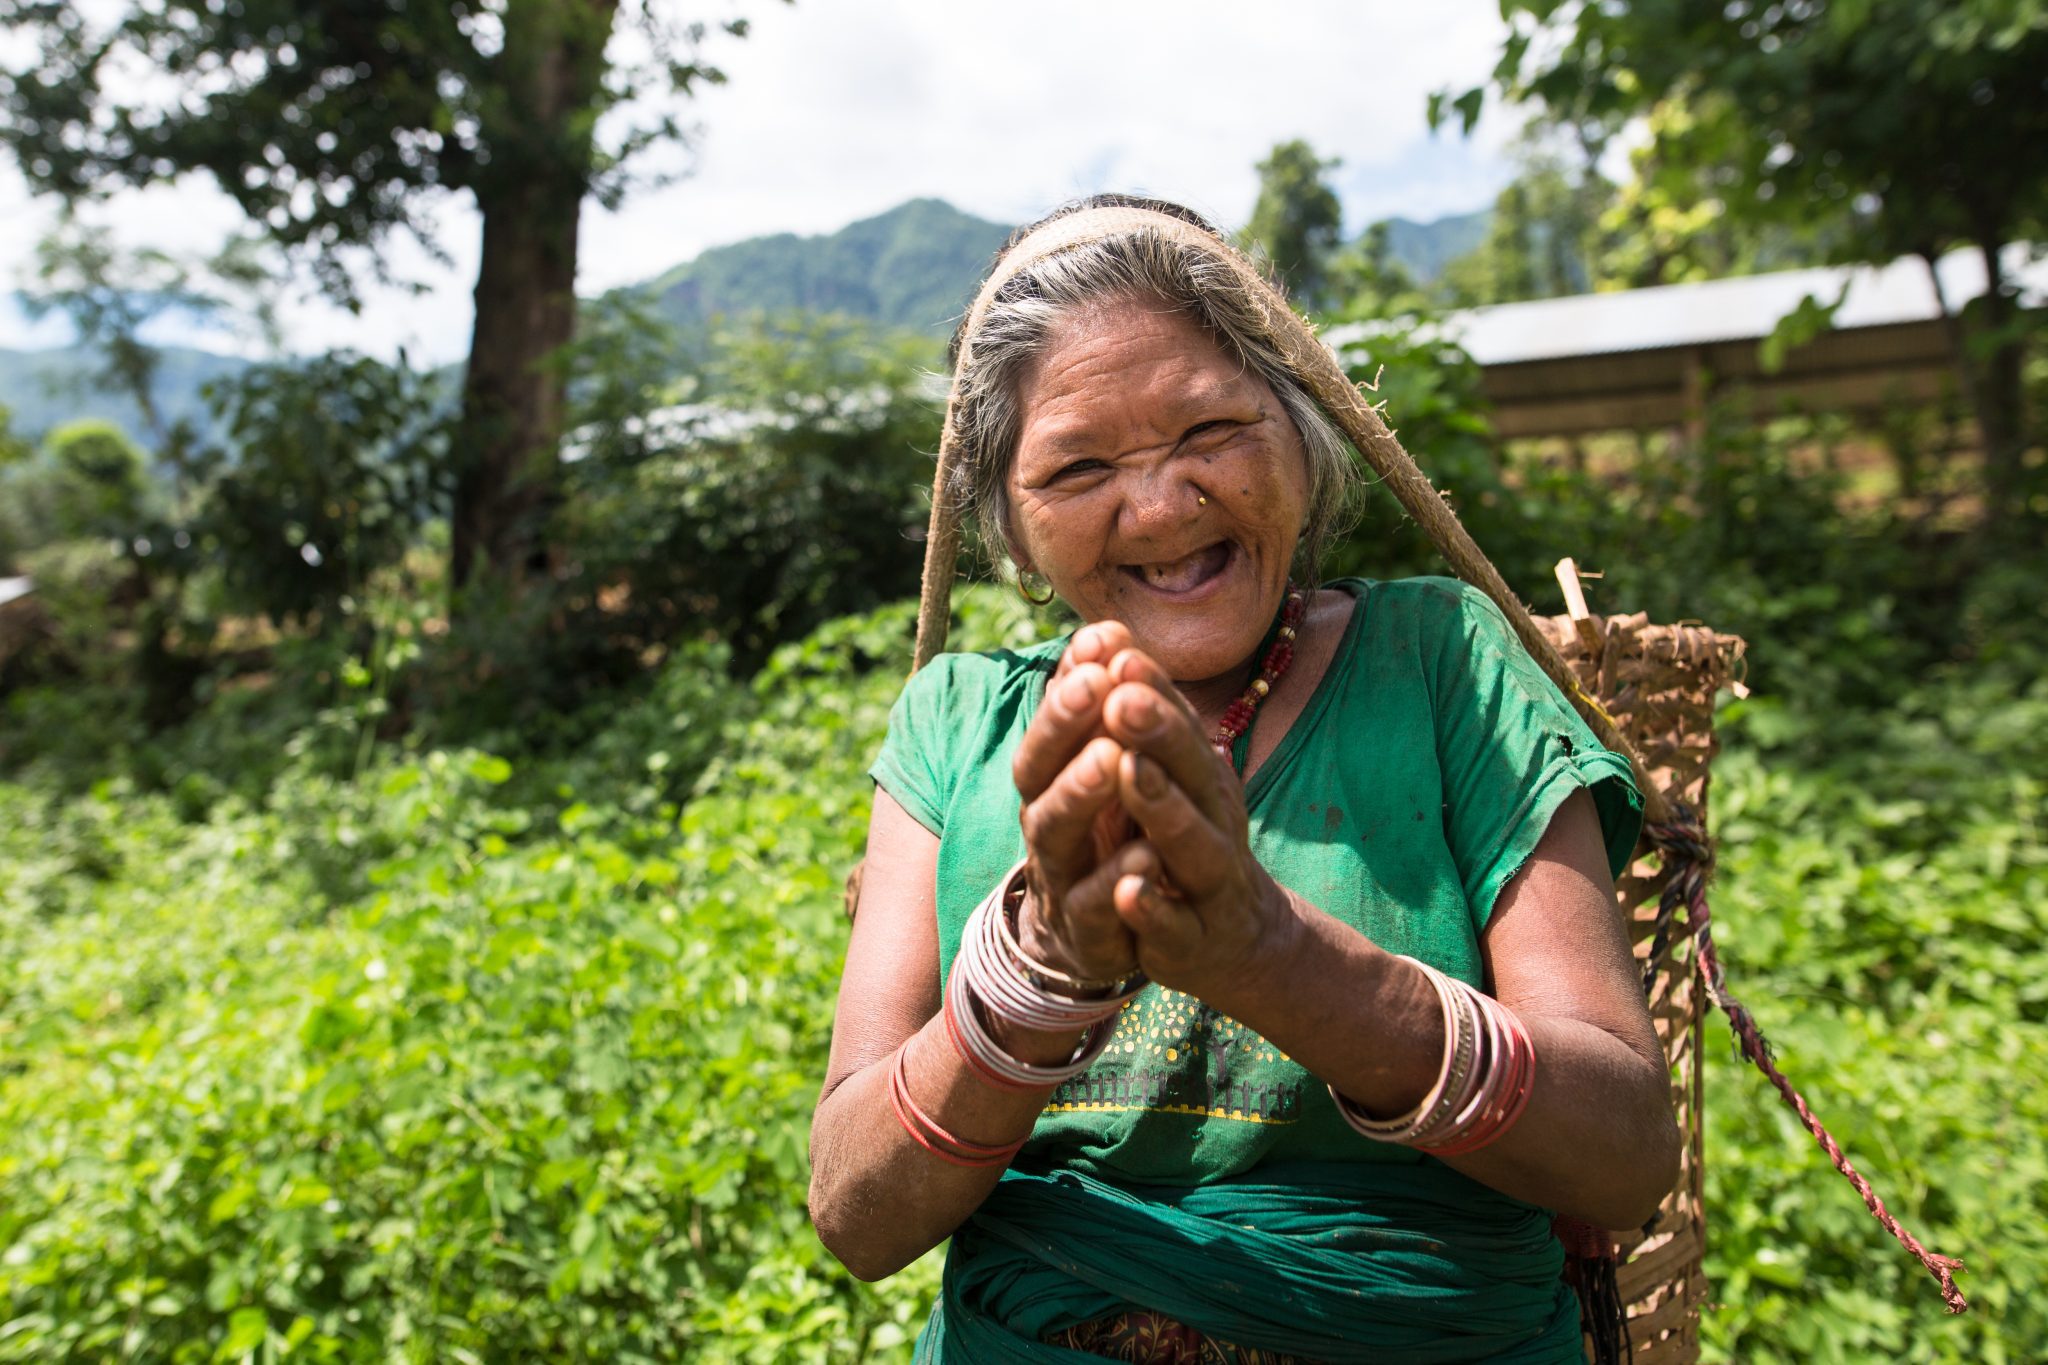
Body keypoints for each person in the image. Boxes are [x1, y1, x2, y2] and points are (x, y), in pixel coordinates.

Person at [808, 196, 1680, 1363]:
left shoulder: (1442, 665)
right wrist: (1040, 976)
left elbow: (1621, 1157)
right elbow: (856, 1214)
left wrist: (1265, 955)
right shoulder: (954, 724)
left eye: (1208, 431)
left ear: (1300, 432)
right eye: (1077, 466)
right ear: (1010, 531)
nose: (1163, 507)